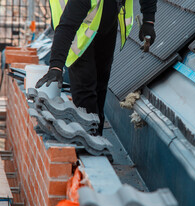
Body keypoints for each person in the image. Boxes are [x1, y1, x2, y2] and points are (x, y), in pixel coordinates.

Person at [35, 0, 157, 135]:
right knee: (85, 90)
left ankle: (97, 137)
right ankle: (88, 141)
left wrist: (149, 21)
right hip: (77, 29)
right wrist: (56, 66)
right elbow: (67, 26)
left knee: (100, 86)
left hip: (104, 21)